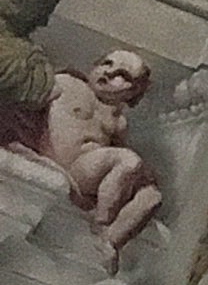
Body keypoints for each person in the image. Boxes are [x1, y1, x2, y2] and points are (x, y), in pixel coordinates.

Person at [46, 47, 164, 264]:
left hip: (91, 169)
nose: (110, 73)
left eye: (123, 75)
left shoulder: (119, 122)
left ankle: (111, 240)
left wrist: (144, 179)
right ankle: (101, 223)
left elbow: (124, 160)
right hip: (69, 163)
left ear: (133, 92)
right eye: (107, 63)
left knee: (152, 196)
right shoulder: (66, 83)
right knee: (128, 161)